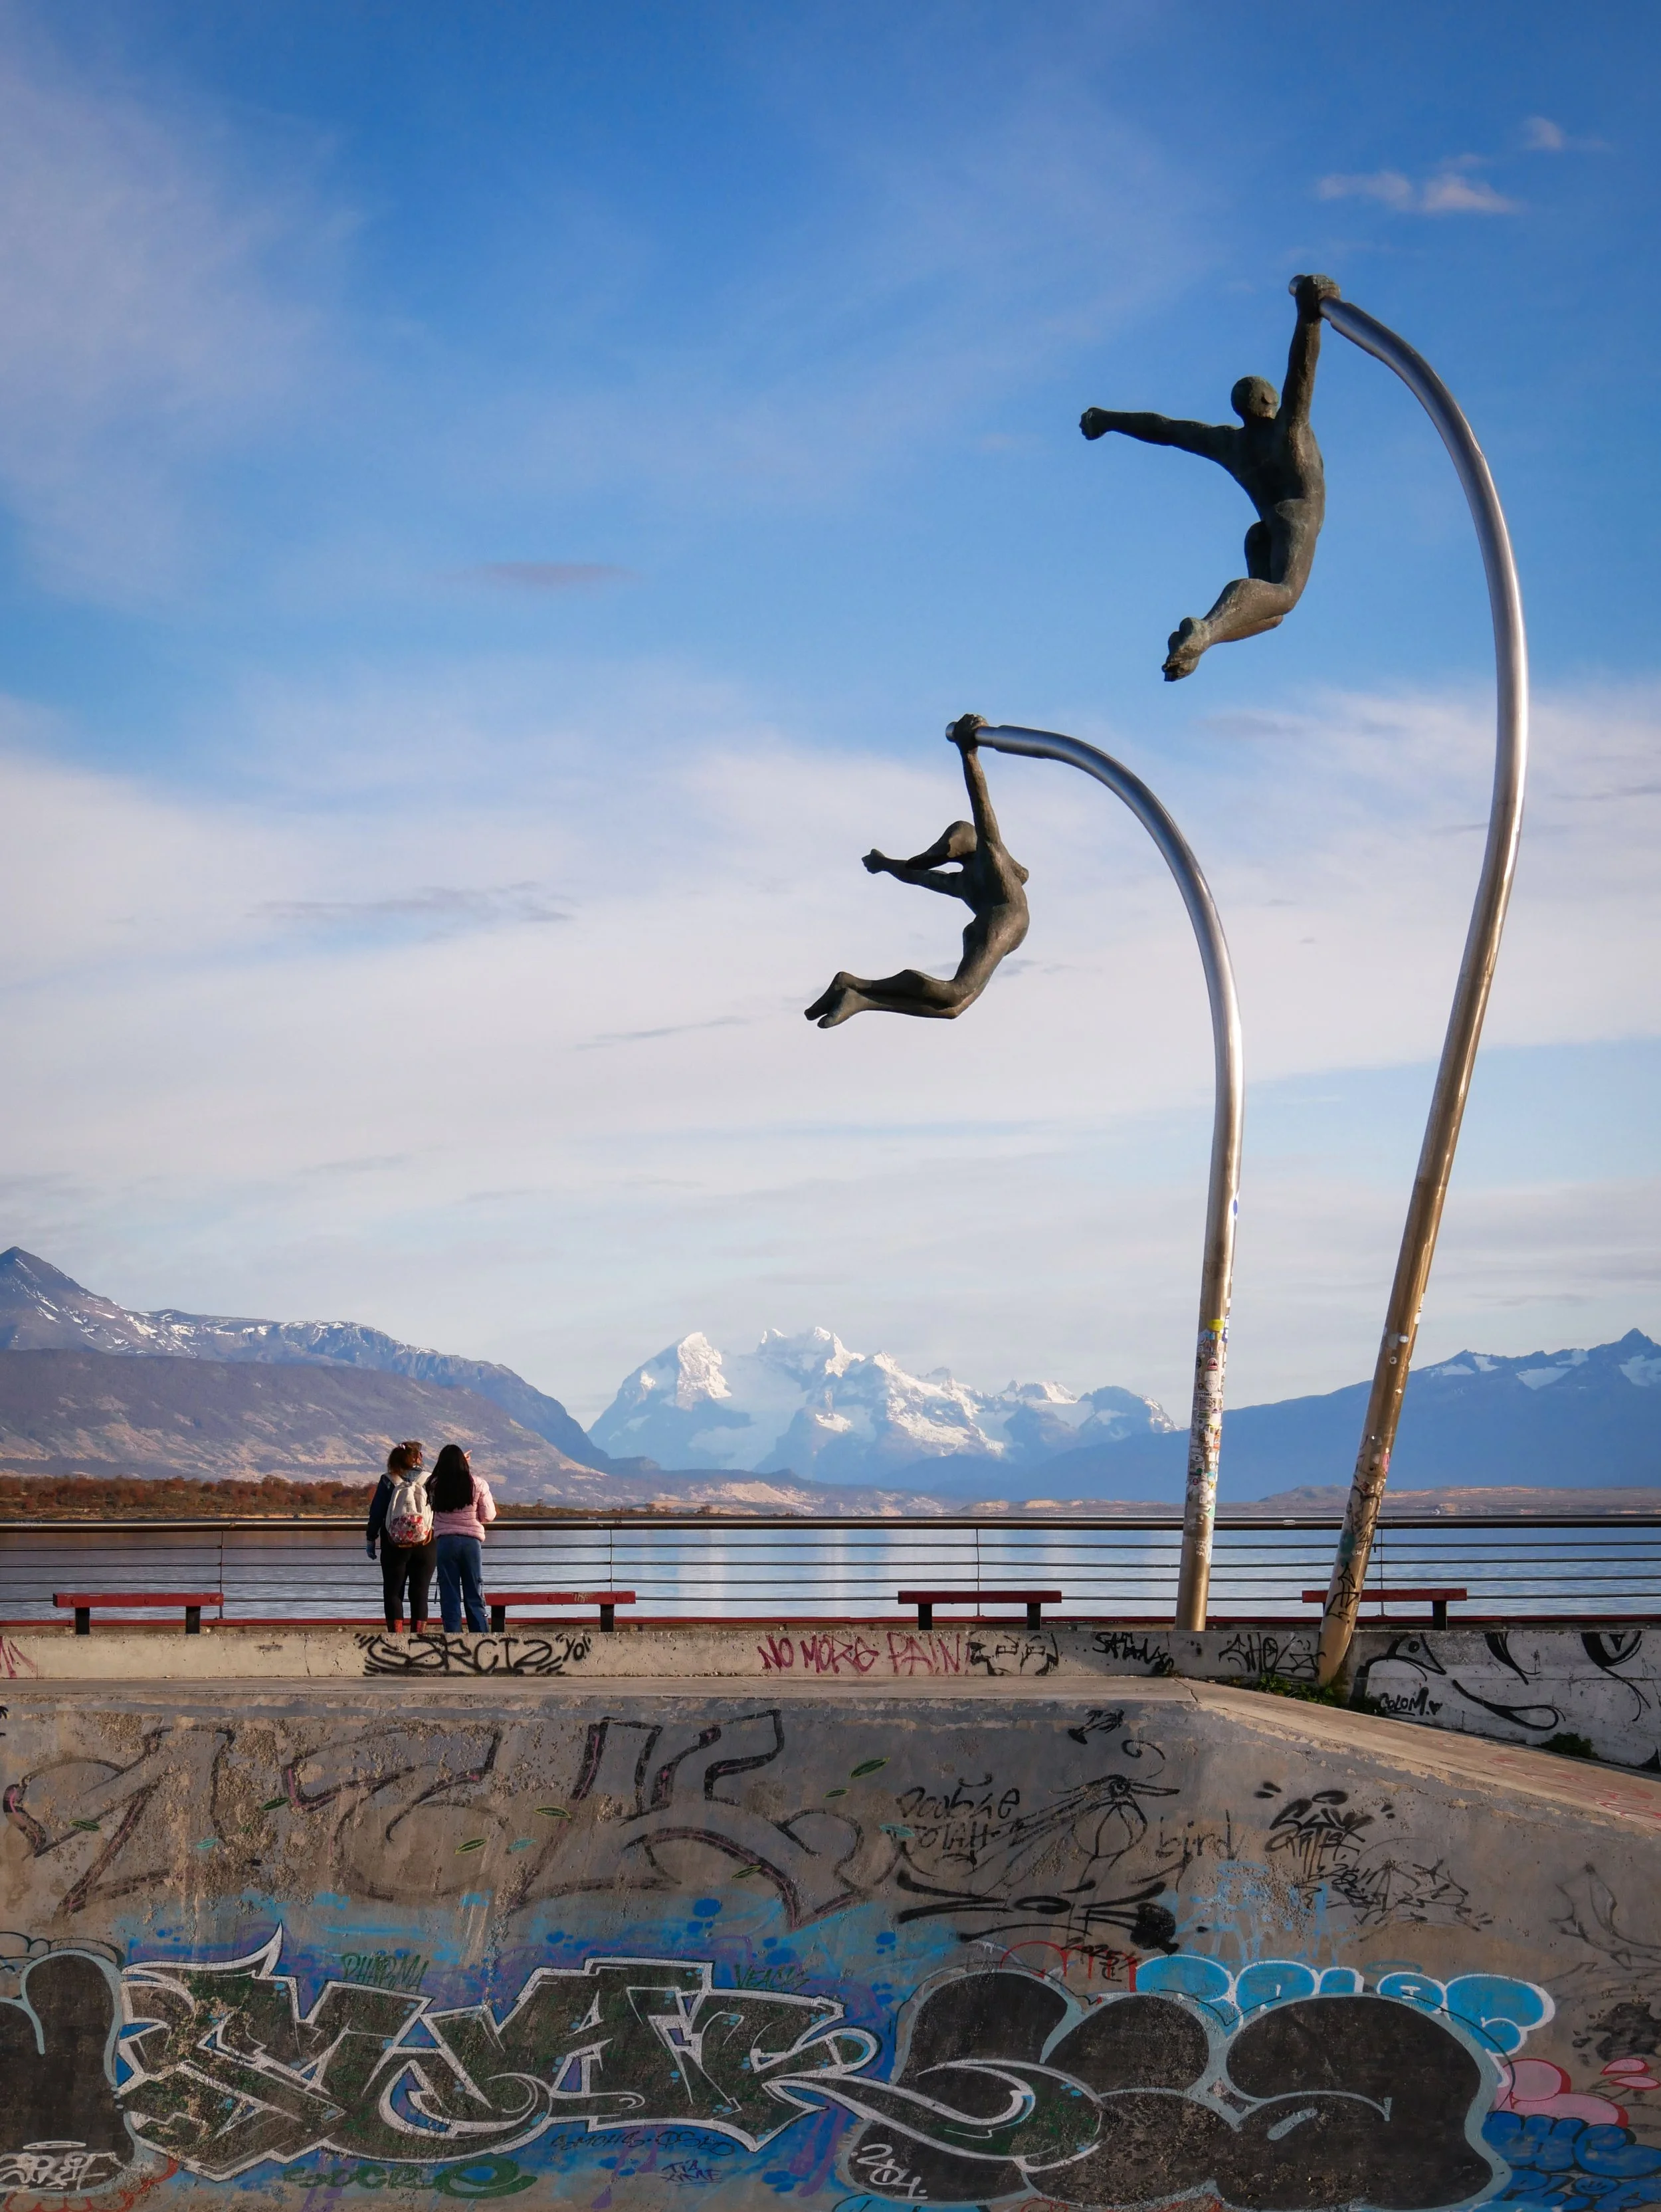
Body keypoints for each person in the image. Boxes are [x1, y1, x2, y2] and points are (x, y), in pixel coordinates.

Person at [1080, 273, 1340, 681]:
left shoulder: (1229, 443)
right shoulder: (1291, 430)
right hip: (1296, 517)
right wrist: (1308, 316)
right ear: (1270, 402)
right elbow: (1301, 374)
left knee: (1271, 616)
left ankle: (1200, 643)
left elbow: (1163, 427)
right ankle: (1207, 630)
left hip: (1265, 530)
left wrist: (1108, 419)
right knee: (1285, 596)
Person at [805, 714, 1029, 1028]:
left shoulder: (963, 881)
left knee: (952, 1007)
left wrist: (885, 864)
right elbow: (982, 806)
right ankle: (856, 984)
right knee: (953, 993)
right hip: (1004, 921)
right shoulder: (992, 857)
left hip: (987, 925)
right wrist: (969, 755)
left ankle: (861, 999)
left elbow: (917, 875)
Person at [364, 1441, 435, 1635]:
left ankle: (396, 1639)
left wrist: (371, 1539)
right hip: (426, 1543)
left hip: (393, 1544)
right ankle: (418, 1639)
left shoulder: (388, 1480)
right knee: (420, 1593)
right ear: (418, 1458)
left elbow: (377, 1513)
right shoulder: (430, 1479)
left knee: (394, 1592)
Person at [429, 1443, 496, 1633]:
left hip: (445, 1543)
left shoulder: (435, 1485)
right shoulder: (478, 1484)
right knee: (474, 1592)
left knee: (449, 1595)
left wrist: (452, 1465)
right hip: (470, 1543)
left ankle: (453, 1639)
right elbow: (489, 1516)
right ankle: (481, 1638)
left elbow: (434, 1480)